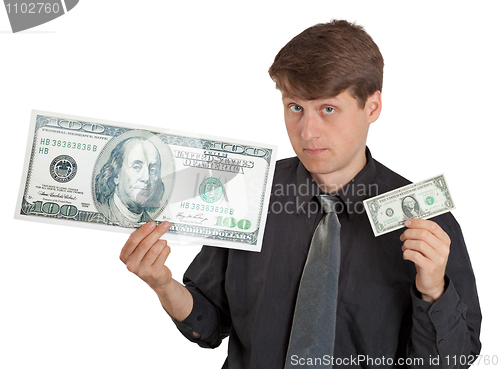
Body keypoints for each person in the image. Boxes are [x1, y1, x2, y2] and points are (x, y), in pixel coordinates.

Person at [119, 20, 481, 368]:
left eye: (327, 109)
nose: (307, 132)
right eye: (295, 108)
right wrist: (163, 284)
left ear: (372, 107)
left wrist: (434, 290)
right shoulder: (248, 195)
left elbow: (453, 361)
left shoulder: (427, 224)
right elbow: (209, 322)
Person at [95, 136, 165, 227]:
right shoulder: (101, 213)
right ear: (116, 175)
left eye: (153, 170)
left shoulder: (151, 224)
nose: (147, 178)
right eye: (136, 167)